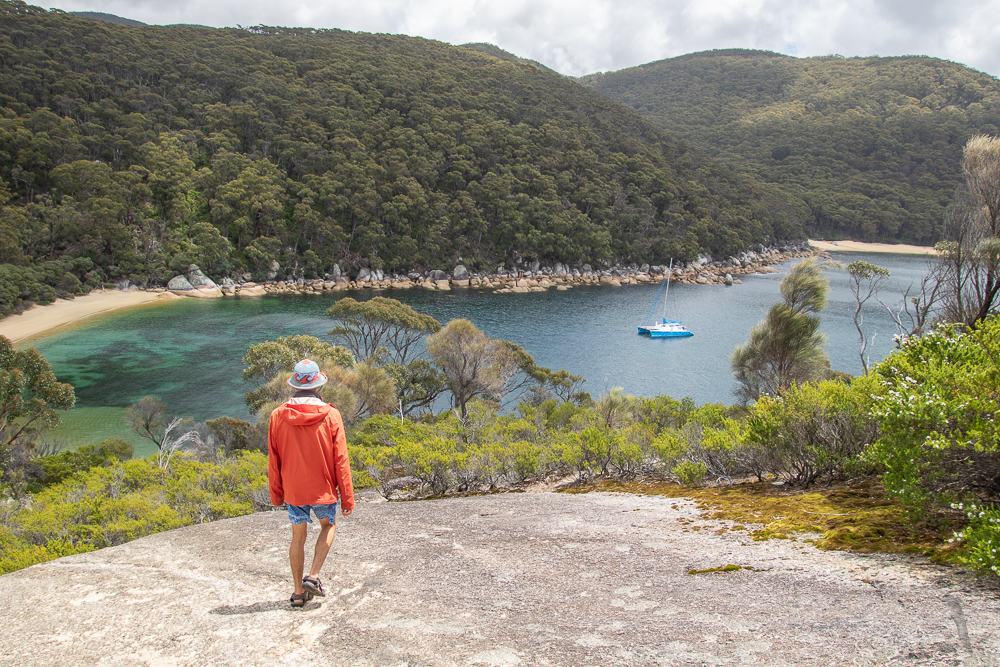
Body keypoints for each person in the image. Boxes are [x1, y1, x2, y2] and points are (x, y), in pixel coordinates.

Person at [268, 358, 355, 608]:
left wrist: (276, 494)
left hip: (294, 490)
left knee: (298, 537)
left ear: (294, 384)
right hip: (323, 488)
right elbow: (341, 460)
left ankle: (297, 593)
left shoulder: (277, 415)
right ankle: (314, 576)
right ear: (318, 384)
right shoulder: (331, 414)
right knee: (328, 526)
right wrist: (347, 498)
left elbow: (274, 460)